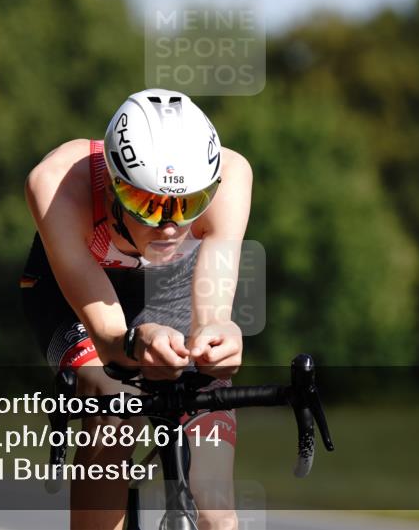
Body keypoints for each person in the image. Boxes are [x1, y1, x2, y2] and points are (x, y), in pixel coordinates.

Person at [21, 89, 252, 530]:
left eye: (188, 205)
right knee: (112, 407)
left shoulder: (232, 175)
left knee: (215, 508)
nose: (170, 225)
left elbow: (213, 315)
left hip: (173, 289)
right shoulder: (55, 185)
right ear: (111, 185)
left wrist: (220, 338)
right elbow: (109, 339)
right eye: (148, 205)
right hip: (73, 294)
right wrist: (129, 343)